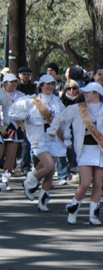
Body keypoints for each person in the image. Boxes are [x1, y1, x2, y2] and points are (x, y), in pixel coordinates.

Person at [50, 82, 103, 225]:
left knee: (98, 183)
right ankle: (73, 210)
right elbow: (59, 118)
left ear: (97, 94)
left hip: (101, 150)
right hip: (84, 150)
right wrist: (52, 130)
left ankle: (93, 215)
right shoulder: (76, 109)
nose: (85, 94)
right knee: (86, 183)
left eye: (88, 92)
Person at [11, 74, 67, 211]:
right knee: (49, 166)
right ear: (41, 85)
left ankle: (42, 201)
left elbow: (64, 119)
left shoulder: (58, 102)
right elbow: (12, 112)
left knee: (50, 171)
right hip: (38, 137)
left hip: (53, 138)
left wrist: (66, 136)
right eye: (47, 84)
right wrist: (27, 116)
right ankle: (29, 183)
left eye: (52, 84)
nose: (50, 87)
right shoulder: (31, 101)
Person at [1, 74, 26, 188]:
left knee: (11, 156)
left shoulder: (21, 96)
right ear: (5, 83)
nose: (14, 84)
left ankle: (5, 181)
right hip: (1, 126)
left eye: (15, 81)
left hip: (15, 127)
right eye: (11, 82)